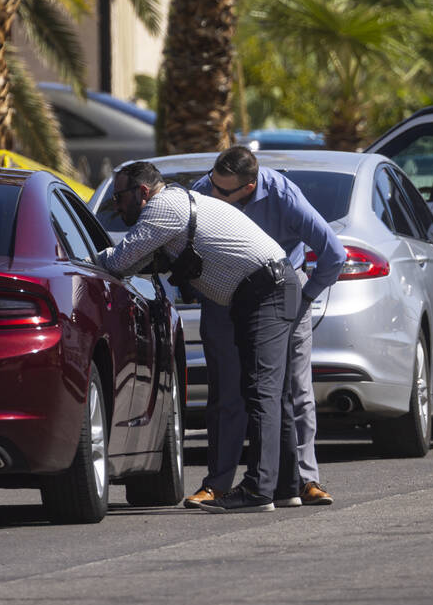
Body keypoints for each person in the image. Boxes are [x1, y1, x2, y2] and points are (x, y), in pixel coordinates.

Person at [98, 161, 301, 512]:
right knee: (274, 394)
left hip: (266, 291)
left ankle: (257, 491)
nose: (117, 206)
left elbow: (119, 262)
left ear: (142, 192)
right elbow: (141, 262)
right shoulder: (176, 204)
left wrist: (84, 259)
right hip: (272, 287)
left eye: (119, 197)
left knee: (261, 391)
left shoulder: (163, 208)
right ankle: (285, 487)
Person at [185, 146, 347, 508]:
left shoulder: (282, 195)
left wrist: (305, 300)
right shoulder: (202, 191)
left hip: (278, 296)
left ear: (250, 186)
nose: (215, 195)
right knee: (227, 390)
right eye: (213, 184)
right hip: (224, 295)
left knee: (293, 390)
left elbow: (334, 253)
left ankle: (304, 480)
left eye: (225, 192)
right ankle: (218, 484)